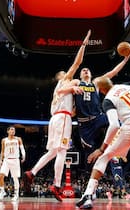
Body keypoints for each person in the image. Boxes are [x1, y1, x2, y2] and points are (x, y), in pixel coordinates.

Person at [23, 30, 91, 202]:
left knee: (53, 151)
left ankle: (32, 172)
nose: (69, 74)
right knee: (62, 151)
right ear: (61, 77)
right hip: (62, 119)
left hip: (57, 119)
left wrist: (77, 92)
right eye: (65, 73)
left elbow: (73, 106)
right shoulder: (63, 83)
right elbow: (77, 63)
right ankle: (56, 184)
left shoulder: (66, 92)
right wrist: (84, 44)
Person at [76, 76, 130, 208]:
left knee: (103, 158)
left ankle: (88, 196)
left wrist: (102, 148)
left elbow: (114, 126)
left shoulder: (108, 100)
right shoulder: (126, 85)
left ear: (101, 90)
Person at [73, 43, 130, 195]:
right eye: (83, 70)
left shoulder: (96, 83)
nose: (85, 70)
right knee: (89, 157)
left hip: (98, 117)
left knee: (117, 122)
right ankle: (90, 182)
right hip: (84, 124)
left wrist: (125, 60)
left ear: (90, 74)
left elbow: (113, 72)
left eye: (87, 69)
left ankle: (120, 148)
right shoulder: (76, 83)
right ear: (80, 75)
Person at [0, 126, 26, 201]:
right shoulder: (4, 140)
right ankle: (2, 191)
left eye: (14, 130)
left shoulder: (18, 139)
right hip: (6, 160)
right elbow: (2, 151)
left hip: (15, 160)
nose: (13, 131)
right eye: (11, 130)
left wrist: (23, 155)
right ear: (8, 131)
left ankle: (16, 194)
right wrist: (0, 160)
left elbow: (22, 148)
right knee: (0, 176)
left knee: (15, 178)